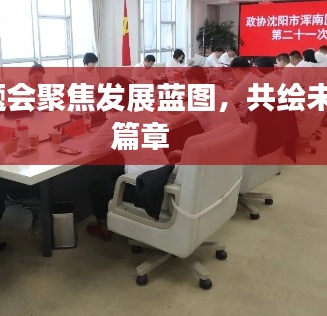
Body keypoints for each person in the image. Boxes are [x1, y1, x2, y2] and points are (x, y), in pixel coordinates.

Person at [86, 75, 168, 240]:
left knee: (96, 186)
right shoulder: (144, 111)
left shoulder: (118, 118)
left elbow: (92, 148)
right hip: (163, 178)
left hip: (144, 187)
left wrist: (110, 140)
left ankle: (104, 227)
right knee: (114, 173)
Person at [162, 66, 240, 133]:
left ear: (194, 82)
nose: (186, 89)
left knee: (189, 141)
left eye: (186, 85)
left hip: (221, 137)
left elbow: (176, 122)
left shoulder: (202, 94)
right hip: (234, 134)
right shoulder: (217, 88)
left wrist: (162, 114)